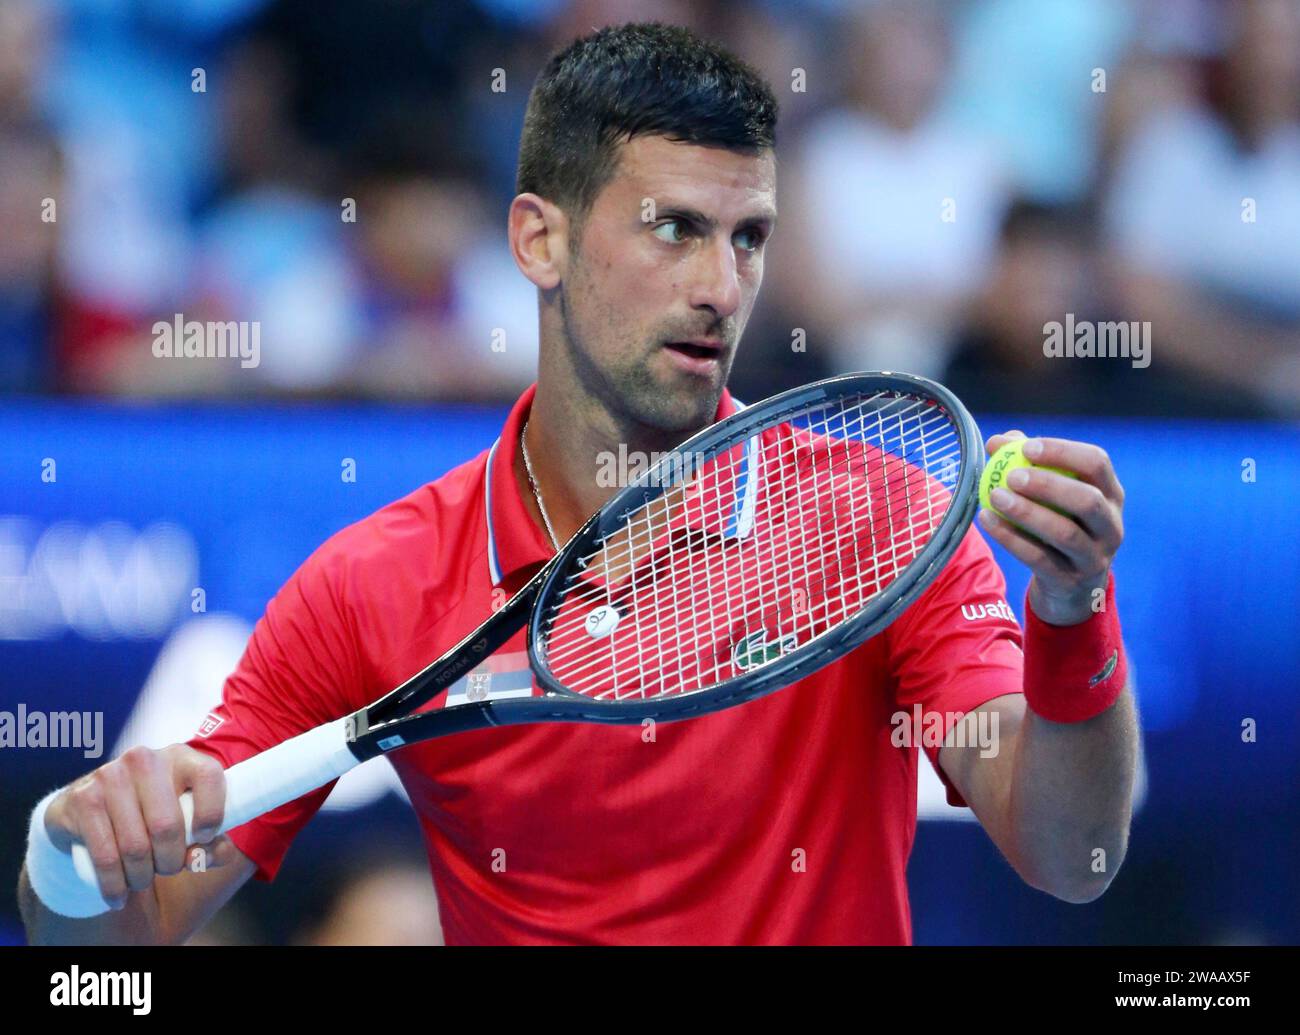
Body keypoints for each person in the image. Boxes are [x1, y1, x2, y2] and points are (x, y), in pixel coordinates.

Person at [21, 22, 1138, 946]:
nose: (720, 286)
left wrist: (1071, 610)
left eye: (749, 238)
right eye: (674, 230)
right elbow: (109, 954)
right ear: (538, 240)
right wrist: (69, 859)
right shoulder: (373, 587)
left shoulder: (881, 518)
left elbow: (1070, 856)